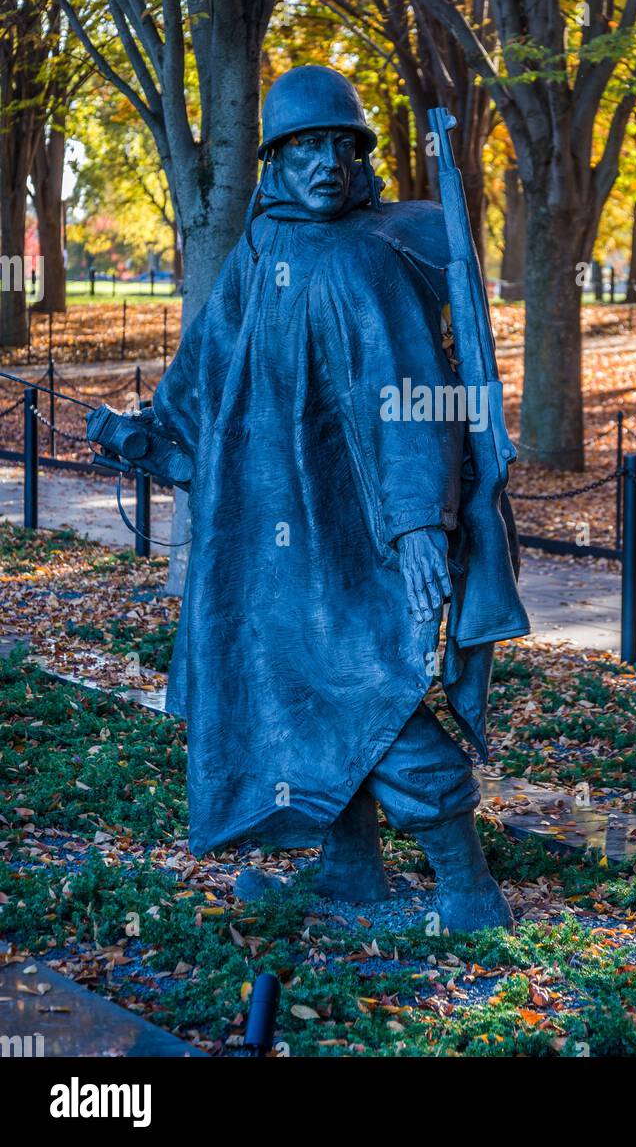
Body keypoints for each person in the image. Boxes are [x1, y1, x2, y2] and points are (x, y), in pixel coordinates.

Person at [152, 65, 526, 931]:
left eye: (339, 146)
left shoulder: (367, 258)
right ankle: (351, 872)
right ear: (274, 164)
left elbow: (413, 403)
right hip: (271, 534)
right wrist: (142, 432)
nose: (324, 163)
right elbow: (205, 378)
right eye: (304, 147)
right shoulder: (256, 254)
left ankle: (467, 890)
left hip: (363, 535)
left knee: (371, 684)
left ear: (358, 162)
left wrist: (417, 526)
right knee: (304, 688)